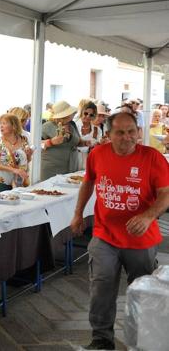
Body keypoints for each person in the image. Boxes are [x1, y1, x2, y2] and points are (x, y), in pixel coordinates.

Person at [70, 112, 169, 350]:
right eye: (120, 132)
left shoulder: (153, 157)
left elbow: (166, 194)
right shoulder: (98, 154)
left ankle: (140, 339)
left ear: (138, 132)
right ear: (108, 135)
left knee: (143, 291)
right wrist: (78, 213)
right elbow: (88, 182)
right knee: (101, 287)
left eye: (131, 131)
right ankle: (102, 338)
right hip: (104, 235)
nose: (127, 137)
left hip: (141, 238)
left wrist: (147, 216)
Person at [0, 114, 30, 194]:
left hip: (20, 182)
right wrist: (15, 170)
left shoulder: (24, 140)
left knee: (19, 205)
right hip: (0, 182)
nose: (1, 126)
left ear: (13, 126)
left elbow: (27, 160)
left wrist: (29, 154)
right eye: (0, 124)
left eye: (4, 123)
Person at [40, 101, 80, 182]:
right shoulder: (46, 126)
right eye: (71, 113)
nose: (73, 115)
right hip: (51, 169)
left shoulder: (72, 124)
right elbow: (37, 145)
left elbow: (78, 141)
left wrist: (86, 142)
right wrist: (51, 142)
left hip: (70, 167)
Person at [76, 101, 100, 170]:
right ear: (82, 112)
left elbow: (97, 145)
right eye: (86, 113)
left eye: (91, 115)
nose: (88, 116)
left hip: (88, 158)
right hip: (73, 157)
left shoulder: (97, 130)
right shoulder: (74, 126)